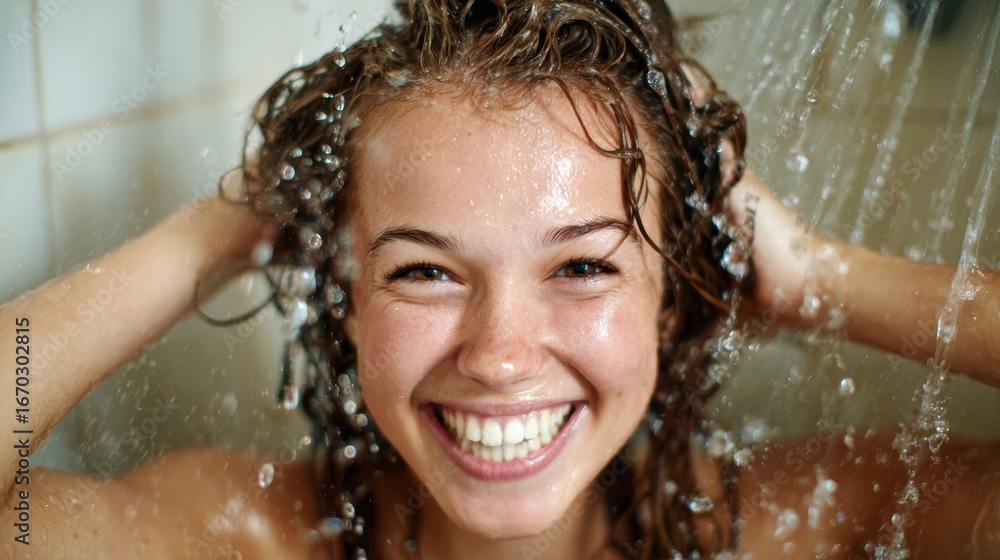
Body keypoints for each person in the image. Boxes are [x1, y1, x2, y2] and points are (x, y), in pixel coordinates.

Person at [2, 0, 999, 558]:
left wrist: (822, 276)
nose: (500, 355)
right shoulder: (245, 537)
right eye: (425, 269)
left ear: (671, 293)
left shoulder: (788, 529)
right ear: (342, 294)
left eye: (581, 264)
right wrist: (214, 233)